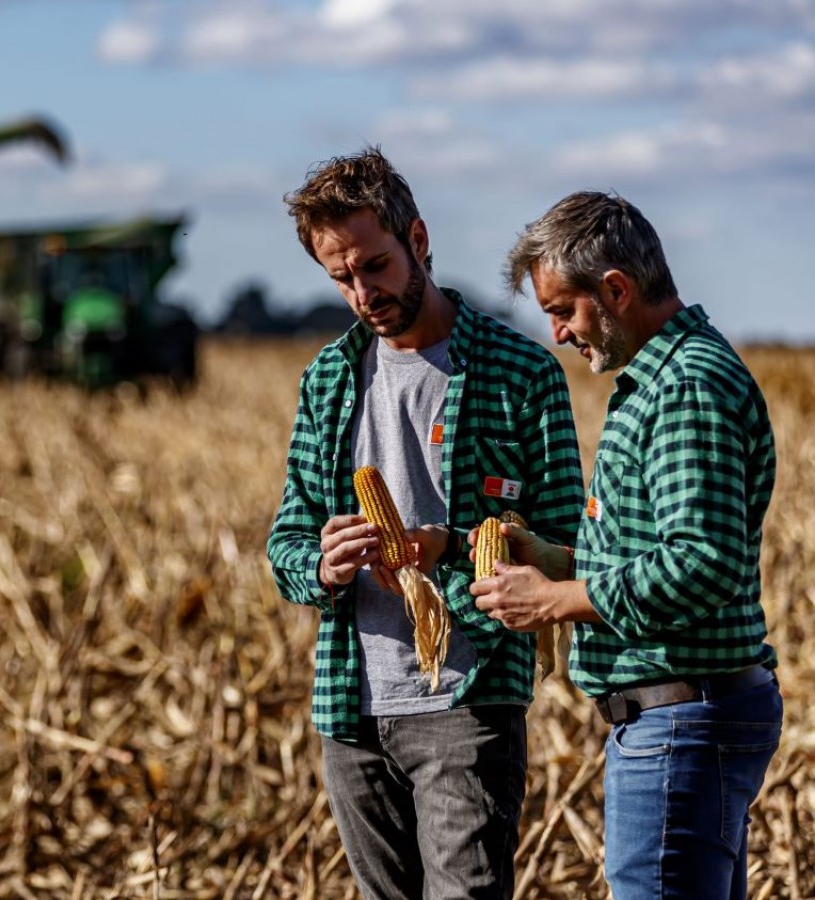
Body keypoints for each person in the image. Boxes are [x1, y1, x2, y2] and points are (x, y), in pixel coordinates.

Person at [266, 148, 584, 900]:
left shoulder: (522, 373)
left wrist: (453, 547)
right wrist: (323, 565)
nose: (361, 293)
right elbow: (285, 544)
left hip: (469, 702)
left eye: (374, 266)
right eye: (341, 277)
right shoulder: (328, 379)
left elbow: (569, 546)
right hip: (351, 705)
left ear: (417, 239)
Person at [472, 191, 781, 900]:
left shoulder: (684, 387)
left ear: (615, 290)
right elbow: (662, 552)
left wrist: (556, 602)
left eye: (563, 310)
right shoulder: (660, 380)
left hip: (680, 721)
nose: (556, 334)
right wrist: (556, 563)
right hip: (685, 719)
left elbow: (701, 564)